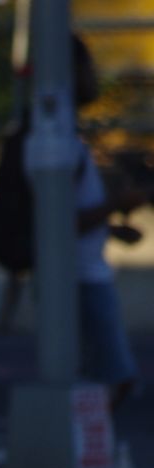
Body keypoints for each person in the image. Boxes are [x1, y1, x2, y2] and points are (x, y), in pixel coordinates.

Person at [68, 34, 150, 411]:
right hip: (81, 277)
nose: (94, 78)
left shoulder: (70, 137)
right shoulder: (59, 140)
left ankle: (87, 450)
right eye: (87, 69)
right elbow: (59, 220)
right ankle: (87, 451)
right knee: (112, 378)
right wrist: (117, 204)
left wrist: (112, 227)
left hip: (88, 270)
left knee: (97, 375)